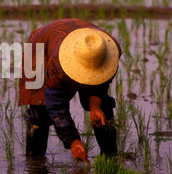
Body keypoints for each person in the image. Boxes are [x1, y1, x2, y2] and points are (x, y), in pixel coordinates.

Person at [19, 19, 121, 163]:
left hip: (81, 47)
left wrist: (95, 106)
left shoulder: (109, 49)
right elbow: (55, 104)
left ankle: (110, 158)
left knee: (102, 108)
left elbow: (102, 83)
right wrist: (73, 141)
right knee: (40, 110)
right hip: (41, 47)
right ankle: (35, 164)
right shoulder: (57, 63)